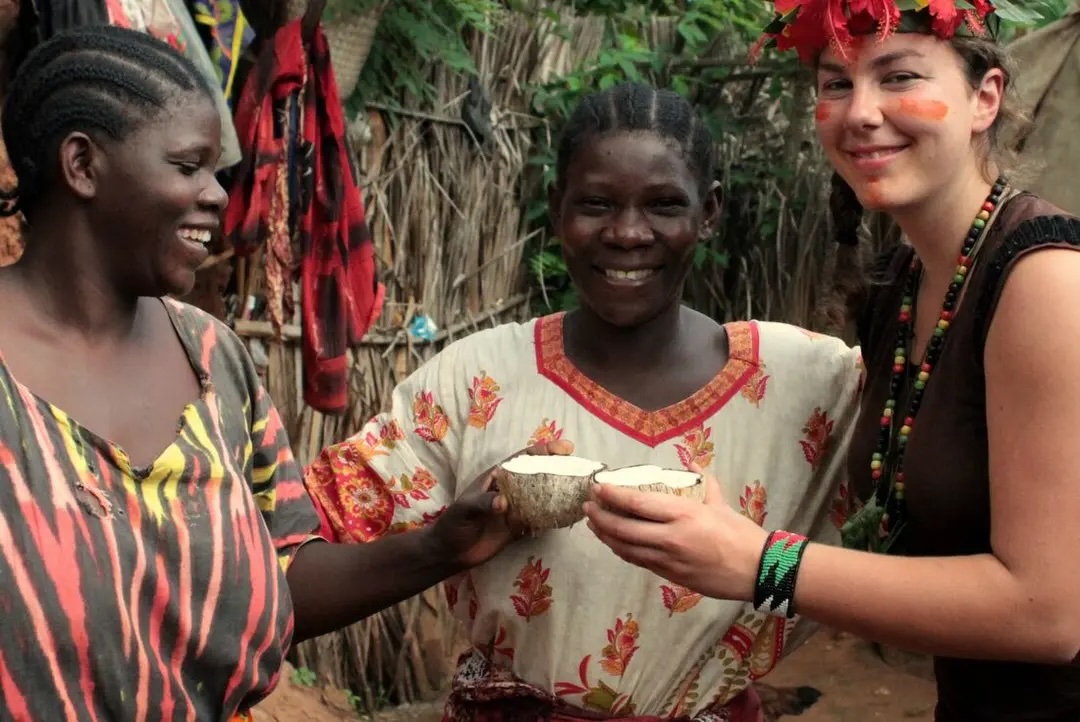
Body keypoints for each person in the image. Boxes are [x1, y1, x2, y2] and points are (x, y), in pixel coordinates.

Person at [0, 25, 535, 722]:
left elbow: (281, 580)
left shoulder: (213, 358)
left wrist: (440, 549)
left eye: (217, 171)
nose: (219, 195)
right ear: (82, 164)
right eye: (188, 166)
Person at [304, 80, 864, 722]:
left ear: (709, 212)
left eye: (663, 204)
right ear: (556, 207)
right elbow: (286, 580)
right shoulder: (477, 381)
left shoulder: (807, 385)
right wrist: (441, 548)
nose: (627, 233)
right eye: (596, 203)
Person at [584, 2, 1080, 720]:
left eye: (899, 76)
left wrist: (763, 565)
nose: (861, 114)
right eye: (836, 84)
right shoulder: (904, 286)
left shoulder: (1044, 282)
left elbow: (1050, 615)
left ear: (986, 98)